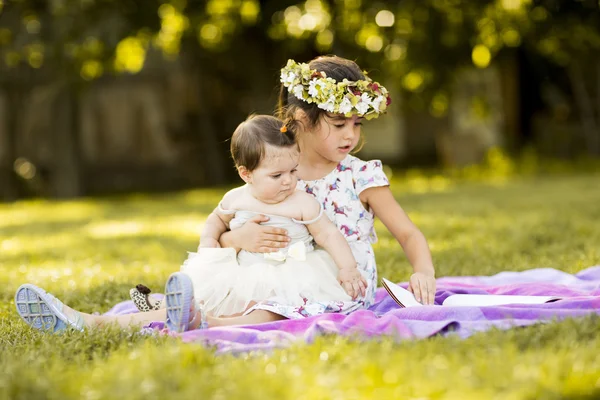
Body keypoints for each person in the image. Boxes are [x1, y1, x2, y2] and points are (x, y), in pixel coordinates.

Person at [14, 55, 437, 335]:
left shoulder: (361, 177)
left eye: (358, 125)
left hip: (338, 285)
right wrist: (238, 240)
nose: (351, 135)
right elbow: (223, 226)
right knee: (230, 291)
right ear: (301, 118)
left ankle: (195, 322)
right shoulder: (273, 169)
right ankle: (87, 320)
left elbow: (409, 235)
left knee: (266, 311)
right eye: (340, 124)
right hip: (264, 268)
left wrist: (422, 272)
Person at [14, 115, 367, 333]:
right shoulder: (236, 198)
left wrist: (348, 268)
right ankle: (87, 320)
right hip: (244, 272)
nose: (289, 181)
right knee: (211, 299)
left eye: (293, 171)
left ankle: (196, 322)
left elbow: (328, 234)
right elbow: (216, 220)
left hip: (293, 275)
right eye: (277, 174)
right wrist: (209, 246)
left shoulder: (302, 202)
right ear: (246, 173)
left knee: (272, 315)